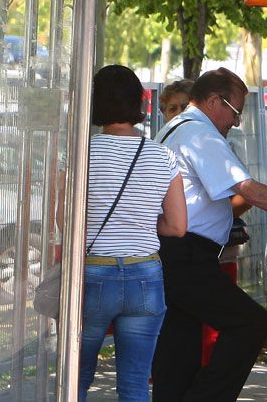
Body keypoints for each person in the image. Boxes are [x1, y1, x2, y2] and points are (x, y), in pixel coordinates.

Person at [152, 67, 267, 401]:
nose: (236, 122)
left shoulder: (174, 129)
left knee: (178, 349)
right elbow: (248, 190)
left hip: (173, 252)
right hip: (185, 253)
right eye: (235, 111)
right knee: (251, 323)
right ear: (214, 101)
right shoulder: (200, 134)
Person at [80, 65, 187, 402]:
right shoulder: (163, 156)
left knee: (76, 378)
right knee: (136, 383)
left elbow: (61, 219)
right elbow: (177, 226)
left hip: (93, 273)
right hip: (145, 274)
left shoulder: (81, 152)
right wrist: (139, 222)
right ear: (139, 103)